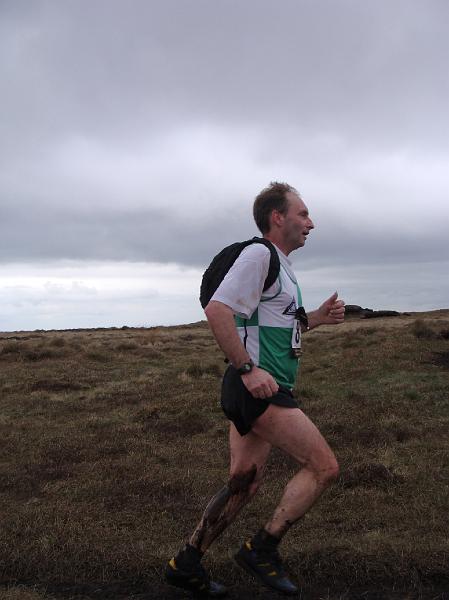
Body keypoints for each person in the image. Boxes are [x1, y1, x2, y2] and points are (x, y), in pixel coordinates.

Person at [165, 182, 345, 597]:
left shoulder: (280, 266)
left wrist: (314, 318)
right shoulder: (259, 254)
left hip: (256, 387)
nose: (310, 223)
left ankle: (186, 563)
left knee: (243, 483)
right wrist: (247, 369)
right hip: (258, 388)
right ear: (277, 217)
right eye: (302, 214)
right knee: (324, 467)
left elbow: (275, 326)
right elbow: (218, 310)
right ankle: (262, 548)